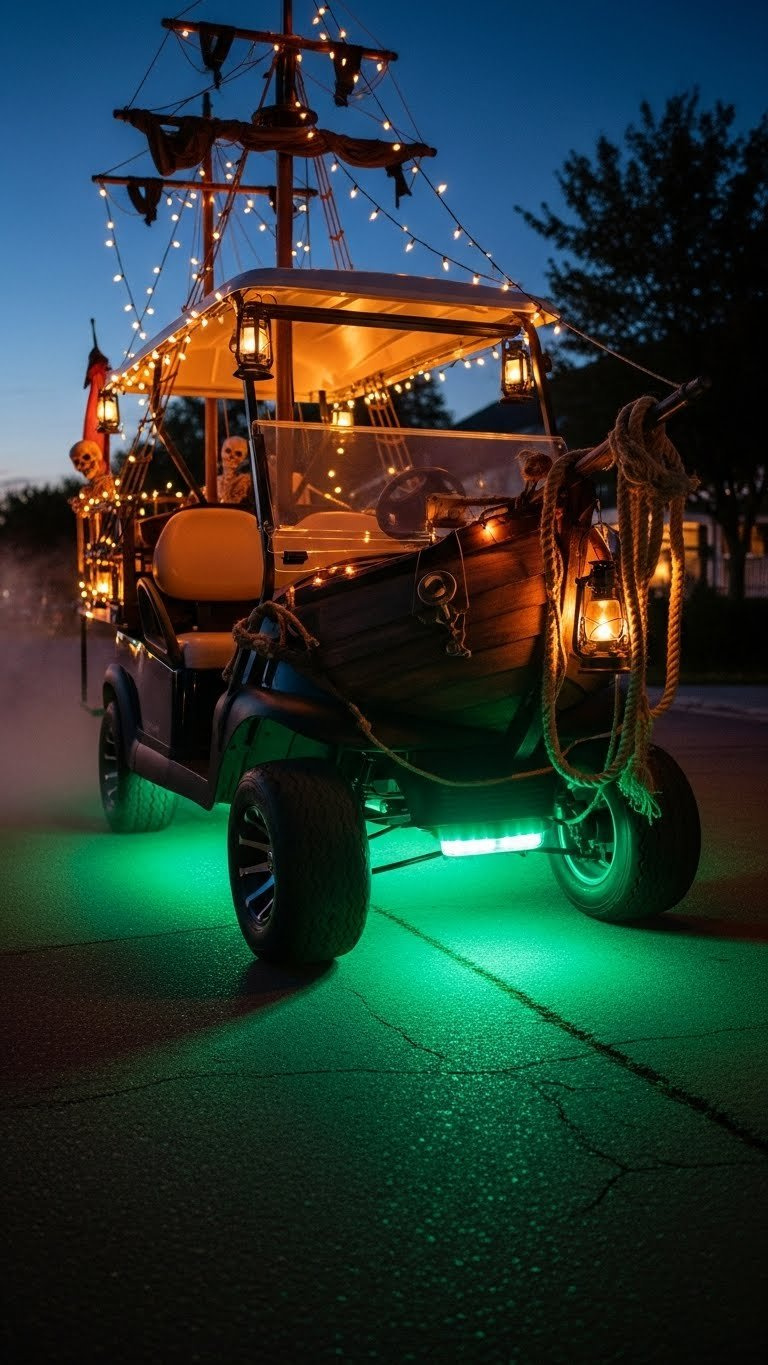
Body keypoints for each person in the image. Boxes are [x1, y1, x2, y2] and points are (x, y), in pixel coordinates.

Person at [217, 436, 252, 505]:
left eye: (238, 454)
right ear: (221, 452)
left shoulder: (247, 481)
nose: (231, 456)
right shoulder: (215, 482)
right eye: (228, 451)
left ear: (244, 459)